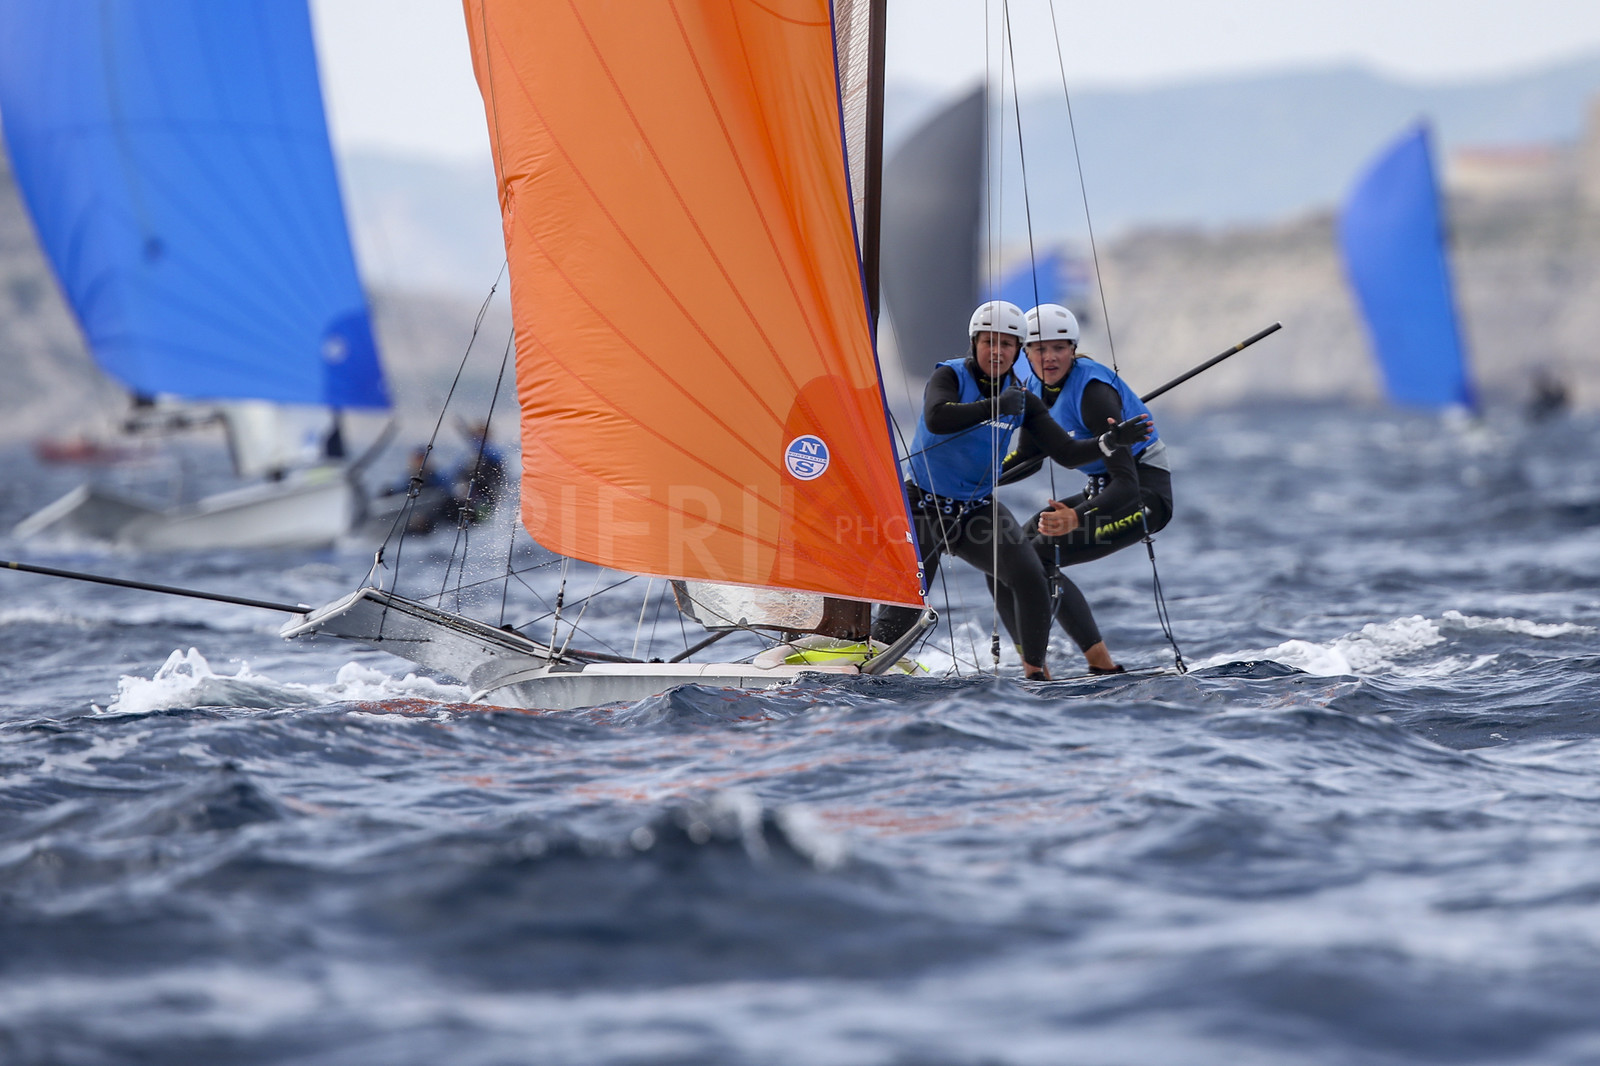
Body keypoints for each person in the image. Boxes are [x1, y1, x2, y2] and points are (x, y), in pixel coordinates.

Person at [872, 300, 1151, 680]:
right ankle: (869, 658)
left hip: (975, 512)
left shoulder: (1023, 400)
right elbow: (937, 418)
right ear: (974, 343)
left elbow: (1066, 452)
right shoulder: (950, 376)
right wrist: (995, 406)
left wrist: (1109, 441)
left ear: (1018, 350)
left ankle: (1036, 675)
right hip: (924, 506)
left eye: (1007, 344)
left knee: (1030, 576)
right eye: (989, 342)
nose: (997, 351)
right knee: (906, 609)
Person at [992, 303, 1174, 674]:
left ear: (1073, 350)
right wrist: (971, 480)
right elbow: (1029, 457)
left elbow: (1126, 484)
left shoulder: (1094, 393)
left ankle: (1102, 667)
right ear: (1025, 352)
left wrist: (1076, 517)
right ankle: (1034, 668)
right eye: (1039, 348)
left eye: (1059, 348)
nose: (1049, 357)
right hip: (1099, 491)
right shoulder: (1033, 390)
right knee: (1000, 559)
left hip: (1143, 495)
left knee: (1039, 557)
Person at [454, 419, 507, 524]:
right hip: (473, 488)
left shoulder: (493, 449)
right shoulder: (469, 451)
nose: (479, 437)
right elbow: (457, 470)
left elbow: (495, 461)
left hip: (488, 488)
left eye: (482, 434)